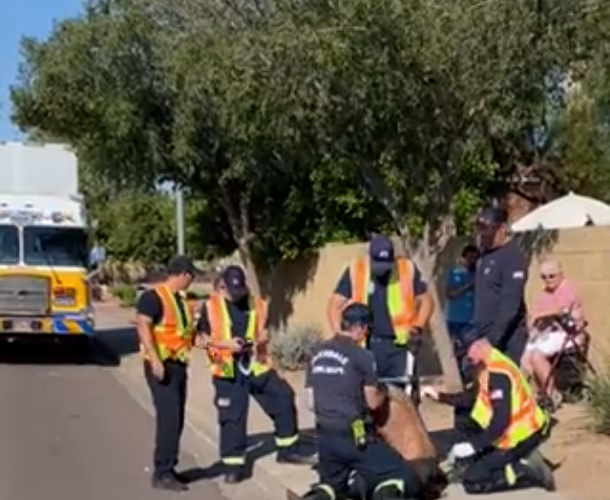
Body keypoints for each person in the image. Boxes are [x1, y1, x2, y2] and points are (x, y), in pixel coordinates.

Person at [197, 265, 314, 484]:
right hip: (227, 369)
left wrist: (260, 339)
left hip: (255, 363)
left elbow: (265, 330)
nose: (238, 295)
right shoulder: (210, 306)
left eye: (240, 290)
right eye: (233, 291)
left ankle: (288, 449)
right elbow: (199, 339)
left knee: (283, 397)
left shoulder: (255, 303)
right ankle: (234, 466)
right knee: (233, 416)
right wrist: (225, 344)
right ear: (223, 286)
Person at [301, 302, 422, 500]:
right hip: (354, 437)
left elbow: (310, 402)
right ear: (361, 327)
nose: (366, 334)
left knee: (332, 487)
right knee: (404, 476)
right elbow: (373, 402)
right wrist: (383, 390)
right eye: (367, 330)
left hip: (325, 439)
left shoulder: (317, 352)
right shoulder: (363, 356)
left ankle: (321, 495)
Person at [420, 328, 554, 494]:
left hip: (521, 436)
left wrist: (473, 446)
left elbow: (500, 422)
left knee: (473, 480)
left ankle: (526, 470)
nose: (466, 358)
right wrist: (440, 396)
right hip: (506, 435)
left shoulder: (498, 374)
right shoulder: (488, 366)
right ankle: (508, 462)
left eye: (466, 352)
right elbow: (471, 399)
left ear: (477, 346)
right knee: (470, 462)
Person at [327, 235, 433, 385]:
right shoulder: (357, 269)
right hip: (366, 346)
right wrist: (341, 337)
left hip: (399, 347)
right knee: (368, 395)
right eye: (378, 263)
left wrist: (419, 326)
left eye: (386, 264)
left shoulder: (406, 268)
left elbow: (427, 300)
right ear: (370, 257)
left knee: (403, 396)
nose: (382, 269)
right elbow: (334, 304)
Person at [135, 255, 198, 491]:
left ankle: (169, 468)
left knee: (177, 418)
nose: (192, 281)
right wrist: (154, 358)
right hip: (161, 366)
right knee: (169, 419)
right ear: (182, 274)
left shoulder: (180, 301)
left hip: (178, 366)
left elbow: (183, 334)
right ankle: (162, 472)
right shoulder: (154, 297)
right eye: (191, 276)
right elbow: (143, 324)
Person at [521, 259, 586, 411]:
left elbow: (560, 309)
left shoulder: (567, 288)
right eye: (543, 277)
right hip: (550, 332)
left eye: (551, 276)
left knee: (537, 356)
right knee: (525, 359)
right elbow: (539, 320)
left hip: (569, 333)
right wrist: (533, 331)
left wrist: (538, 315)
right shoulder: (545, 293)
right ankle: (542, 392)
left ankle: (552, 394)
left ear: (560, 274)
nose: (548, 280)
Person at [473, 206, 529, 365]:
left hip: (506, 339)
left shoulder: (513, 258)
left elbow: (510, 304)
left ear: (503, 228)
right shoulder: (485, 256)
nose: (484, 238)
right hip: (483, 335)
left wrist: (491, 340)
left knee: (503, 387)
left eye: (489, 233)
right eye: (482, 234)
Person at [444, 244, 479, 340]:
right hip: (454, 319)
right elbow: (450, 294)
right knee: (456, 350)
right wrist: (468, 286)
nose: (473, 261)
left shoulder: (479, 274)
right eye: (470, 258)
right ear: (463, 258)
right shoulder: (454, 273)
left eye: (475, 258)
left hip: (471, 321)